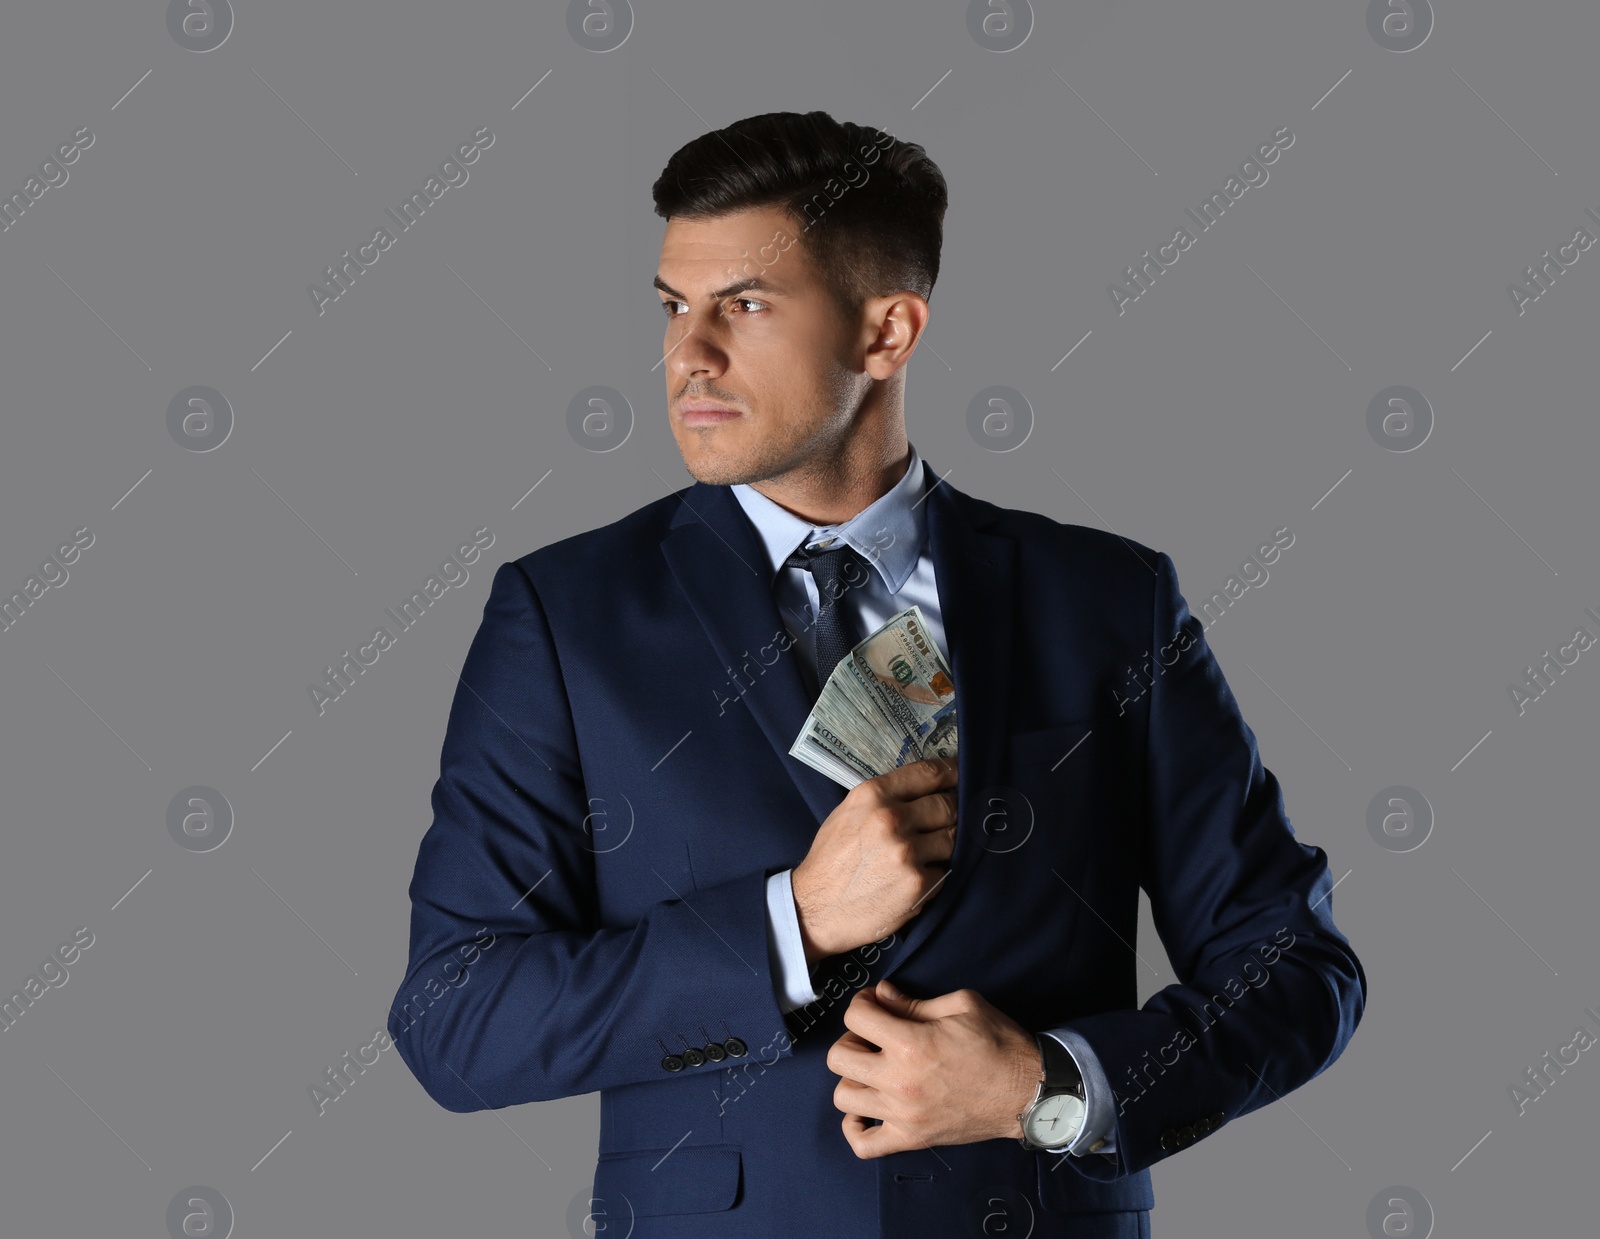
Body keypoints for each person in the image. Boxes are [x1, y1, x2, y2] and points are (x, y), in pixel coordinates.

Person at [387, 110, 1365, 1239]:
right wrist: (787, 925)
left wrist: (1046, 1090)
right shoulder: (565, 617)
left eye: (742, 307)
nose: (685, 355)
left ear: (887, 332)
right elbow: (454, 1021)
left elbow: (1294, 967)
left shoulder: (1108, 598)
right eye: (672, 307)